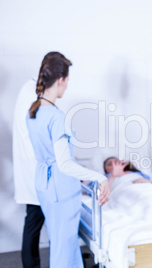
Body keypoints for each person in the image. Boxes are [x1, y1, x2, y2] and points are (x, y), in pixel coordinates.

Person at [26, 52, 111, 268]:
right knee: (64, 251)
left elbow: (54, 158)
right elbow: (64, 164)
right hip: (61, 188)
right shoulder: (56, 117)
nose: (67, 86)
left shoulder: (33, 112)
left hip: (44, 185)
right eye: (67, 81)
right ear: (61, 80)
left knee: (61, 245)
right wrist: (99, 177)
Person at [13, 52, 65, 268]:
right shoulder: (38, 99)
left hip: (34, 170)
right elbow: (45, 140)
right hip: (40, 172)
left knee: (33, 224)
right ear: (60, 79)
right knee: (46, 225)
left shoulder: (30, 91)